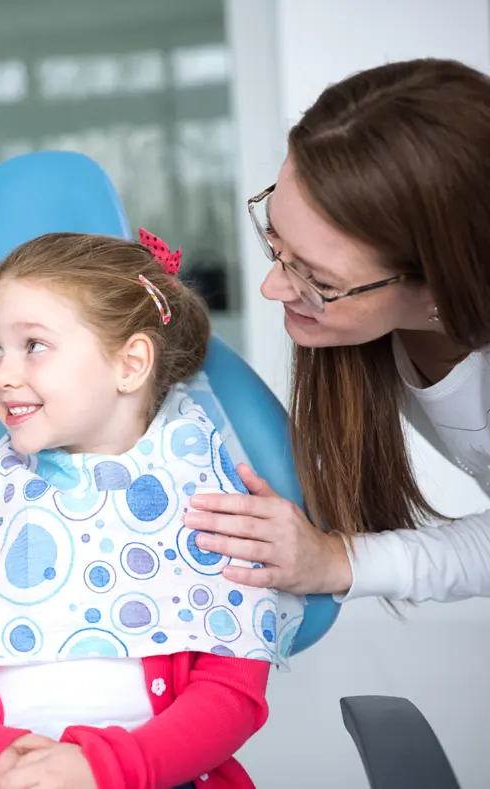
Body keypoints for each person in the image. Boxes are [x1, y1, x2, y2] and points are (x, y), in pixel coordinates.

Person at [0, 232, 276, 789]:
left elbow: (232, 688)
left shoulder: (208, 504)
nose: (2, 374)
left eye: (34, 345)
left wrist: (104, 769)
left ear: (130, 363)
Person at [185, 58, 490, 605]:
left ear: (440, 288)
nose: (272, 288)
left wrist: (337, 559)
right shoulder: (379, 325)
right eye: (275, 238)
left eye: (317, 279)